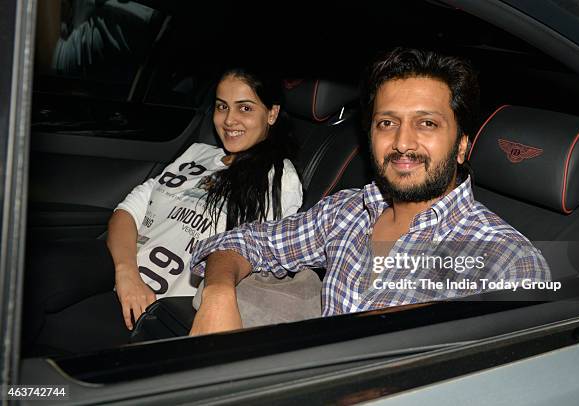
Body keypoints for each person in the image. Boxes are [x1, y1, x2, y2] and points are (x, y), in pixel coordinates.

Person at [188, 48, 551, 336]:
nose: (402, 142)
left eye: (426, 123)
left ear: (461, 146)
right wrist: (218, 295)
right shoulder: (347, 212)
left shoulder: (507, 262)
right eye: (387, 123)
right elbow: (242, 242)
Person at [23, 67, 302, 354]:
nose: (229, 120)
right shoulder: (197, 154)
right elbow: (126, 212)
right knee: (32, 272)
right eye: (222, 106)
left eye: (244, 107)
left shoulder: (280, 178)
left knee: (54, 329)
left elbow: (254, 252)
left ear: (271, 113)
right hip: (119, 268)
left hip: (162, 304)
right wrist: (126, 273)